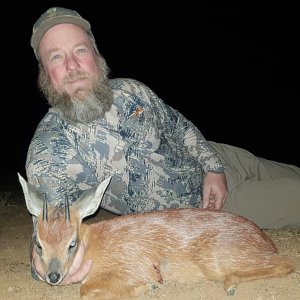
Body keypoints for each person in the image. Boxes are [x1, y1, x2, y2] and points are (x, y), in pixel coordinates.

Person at [26, 7, 300, 285]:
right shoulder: (49, 151)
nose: (72, 65)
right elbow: (50, 225)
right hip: (209, 209)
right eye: (56, 56)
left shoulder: (131, 90)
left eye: (80, 50)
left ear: (96, 56)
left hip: (219, 158)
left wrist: (214, 167)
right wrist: (43, 264)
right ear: (45, 74)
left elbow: (179, 125)